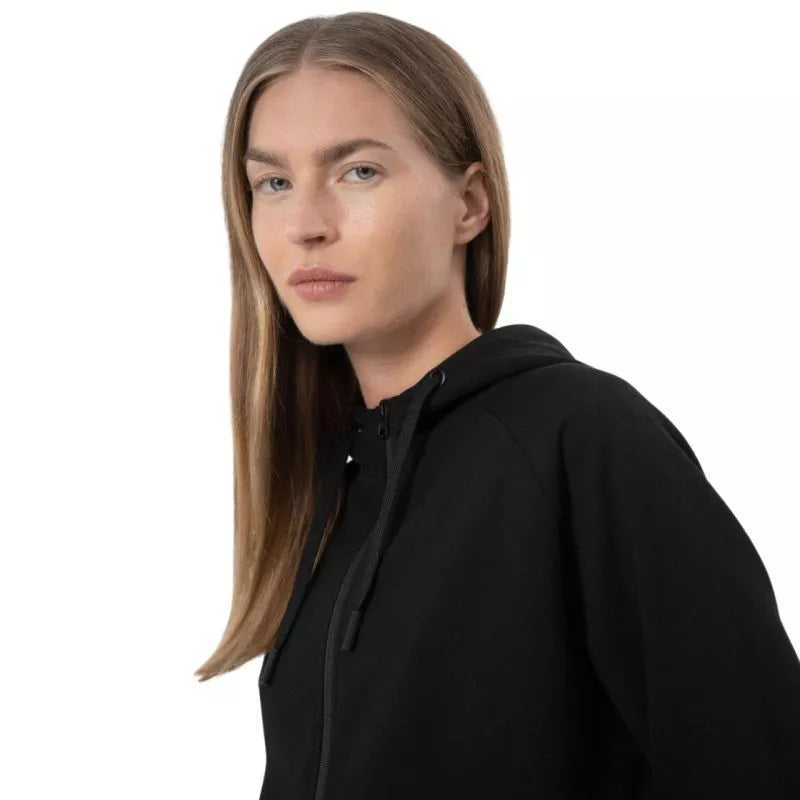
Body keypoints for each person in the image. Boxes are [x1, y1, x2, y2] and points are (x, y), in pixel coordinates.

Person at [195, 11, 800, 800]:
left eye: (359, 172)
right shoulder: (333, 485)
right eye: (273, 183)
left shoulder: (581, 438)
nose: (306, 225)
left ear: (470, 204)